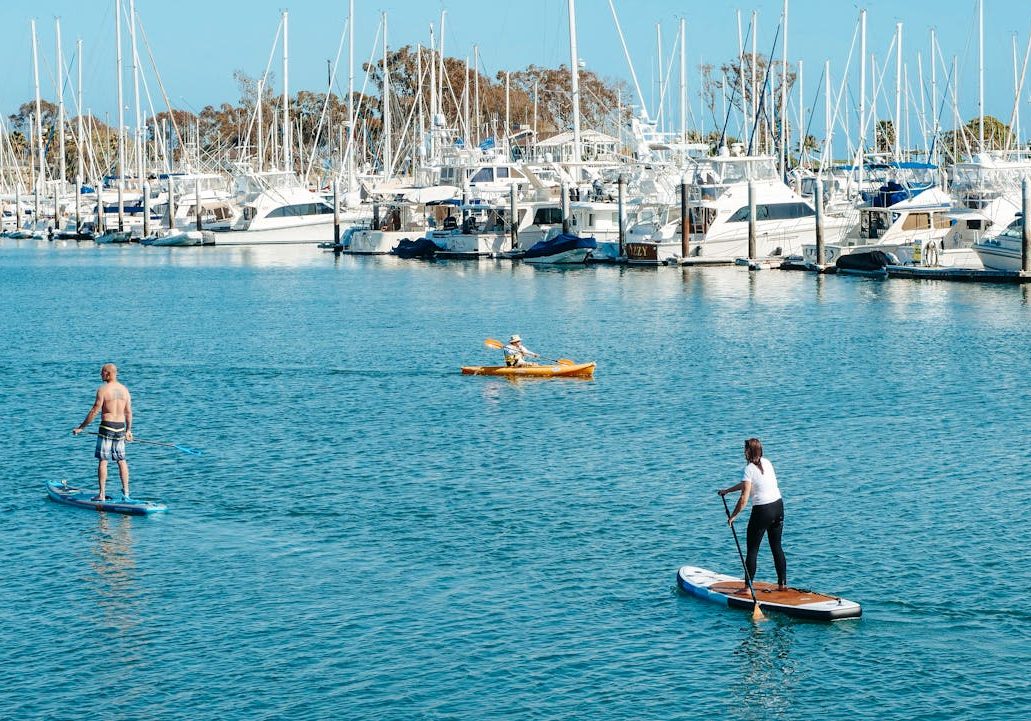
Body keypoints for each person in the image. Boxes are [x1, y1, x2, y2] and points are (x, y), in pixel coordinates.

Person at [717, 438, 787, 591]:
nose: (743, 452)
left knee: (752, 550)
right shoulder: (767, 463)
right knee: (776, 547)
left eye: (745, 449)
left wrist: (733, 516)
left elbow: (744, 498)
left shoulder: (749, 468)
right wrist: (728, 491)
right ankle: (782, 585)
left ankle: (747, 588)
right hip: (778, 506)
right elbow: (749, 483)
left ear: (749, 451)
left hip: (762, 511)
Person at [72, 363, 134, 501]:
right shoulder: (125, 390)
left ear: (108, 373)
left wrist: (81, 427)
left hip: (107, 426)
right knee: (121, 460)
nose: (100, 375)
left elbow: (95, 410)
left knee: (103, 460)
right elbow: (128, 412)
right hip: (120, 427)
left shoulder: (103, 390)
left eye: (102, 372)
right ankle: (127, 493)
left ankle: (101, 494)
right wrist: (129, 430)